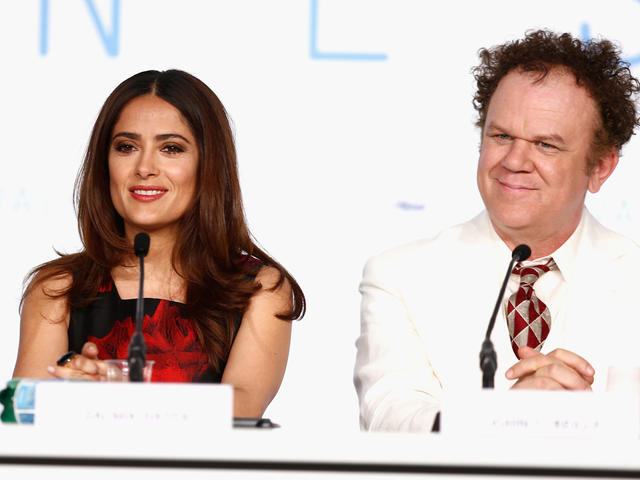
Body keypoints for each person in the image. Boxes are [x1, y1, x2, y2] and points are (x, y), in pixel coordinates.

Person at [354, 30, 640, 432]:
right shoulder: (398, 275)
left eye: (545, 145)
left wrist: (588, 421)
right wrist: (504, 418)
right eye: (501, 136)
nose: (515, 161)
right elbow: (391, 419)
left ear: (600, 168)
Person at [12, 69, 305, 418]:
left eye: (171, 148)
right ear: (105, 165)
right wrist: (67, 396)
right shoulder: (58, 288)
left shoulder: (258, 288)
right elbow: (21, 418)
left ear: (208, 165)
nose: (145, 167)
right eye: (126, 147)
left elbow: (242, 410)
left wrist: (122, 398)